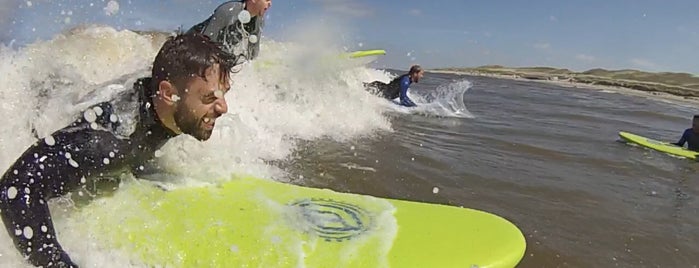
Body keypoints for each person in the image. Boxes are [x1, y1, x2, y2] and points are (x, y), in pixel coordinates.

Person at [0, 32, 235, 267]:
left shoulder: (173, 100)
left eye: (224, 93)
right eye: (209, 97)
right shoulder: (114, 140)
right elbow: (16, 187)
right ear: (166, 93)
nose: (223, 107)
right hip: (45, 108)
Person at [187, 0, 272, 65]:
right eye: (267, 0)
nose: (270, 4)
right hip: (189, 44)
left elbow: (253, 55)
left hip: (217, 52)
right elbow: (205, 41)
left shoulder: (259, 22)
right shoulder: (229, 10)